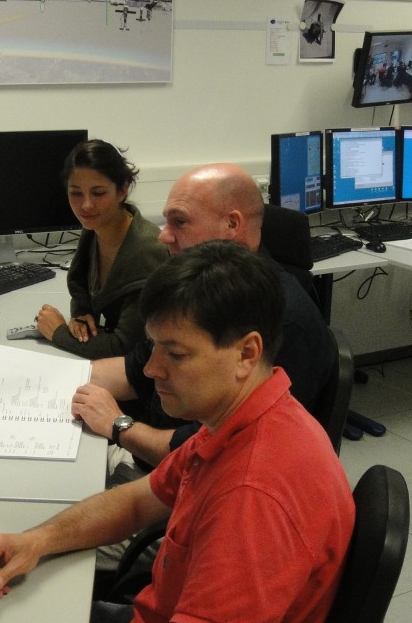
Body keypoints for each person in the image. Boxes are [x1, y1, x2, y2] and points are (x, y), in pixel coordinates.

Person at [0, 241, 355, 623]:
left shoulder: (252, 494)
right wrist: (38, 540)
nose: (152, 369)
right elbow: (137, 502)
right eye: (153, 347)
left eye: (175, 354)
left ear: (247, 354)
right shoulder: (248, 417)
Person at [72, 162, 336, 472]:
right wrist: (54, 382)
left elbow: (207, 457)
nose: (163, 237)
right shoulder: (202, 292)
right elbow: (135, 369)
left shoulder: (281, 324)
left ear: (232, 226)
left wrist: (117, 425)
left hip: (193, 477)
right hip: (164, 461)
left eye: (179, 222)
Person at [34, 139, 168, 359]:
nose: (85, 205)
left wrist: (57, 333)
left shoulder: (146, 251)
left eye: (98, 193)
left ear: (123, 190)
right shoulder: (95, 230)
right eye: (76, 193)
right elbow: (82, 287)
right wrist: (81, 314)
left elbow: (125, 347)